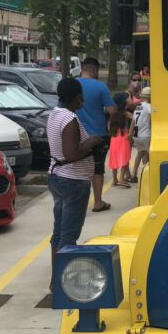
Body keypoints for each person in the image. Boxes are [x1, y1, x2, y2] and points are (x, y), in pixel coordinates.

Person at [46, 77, 104, 290]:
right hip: (73, 181)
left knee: (59, 232)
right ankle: (63, 286)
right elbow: (70, 153)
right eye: (82, 96)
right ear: (79, 96)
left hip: (57, 177)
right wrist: (93, 141)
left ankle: (55, 282)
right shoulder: (69, 118)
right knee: (68, 237)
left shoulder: (54, 114)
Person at [75, 56, 117, 212]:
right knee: (97, 169)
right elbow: (112, 110)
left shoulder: (73, 85)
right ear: (95, 70)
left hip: (76, 136)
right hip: (98, 135)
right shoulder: (100, 87)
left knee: (79, 169)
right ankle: (98, 202)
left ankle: (78, 204)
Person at [107, 95, 132, 187]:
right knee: (124, 158)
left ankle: (115, 180)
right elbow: (134, 119)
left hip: (114, 139)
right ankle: (121, 178)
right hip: (123, 136)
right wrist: (131, 130)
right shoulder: (125, 113)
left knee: (114, 158)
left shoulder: (113, 114)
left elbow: (109, 127)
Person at [129, 85, 153, 182]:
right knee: (147, 154)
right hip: (146, 134)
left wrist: (130, 133)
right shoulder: (149, 107)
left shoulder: (138, 107)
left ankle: (134, 174)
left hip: (137, 135)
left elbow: (133, 121)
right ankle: (147, 174)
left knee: (140, 153)